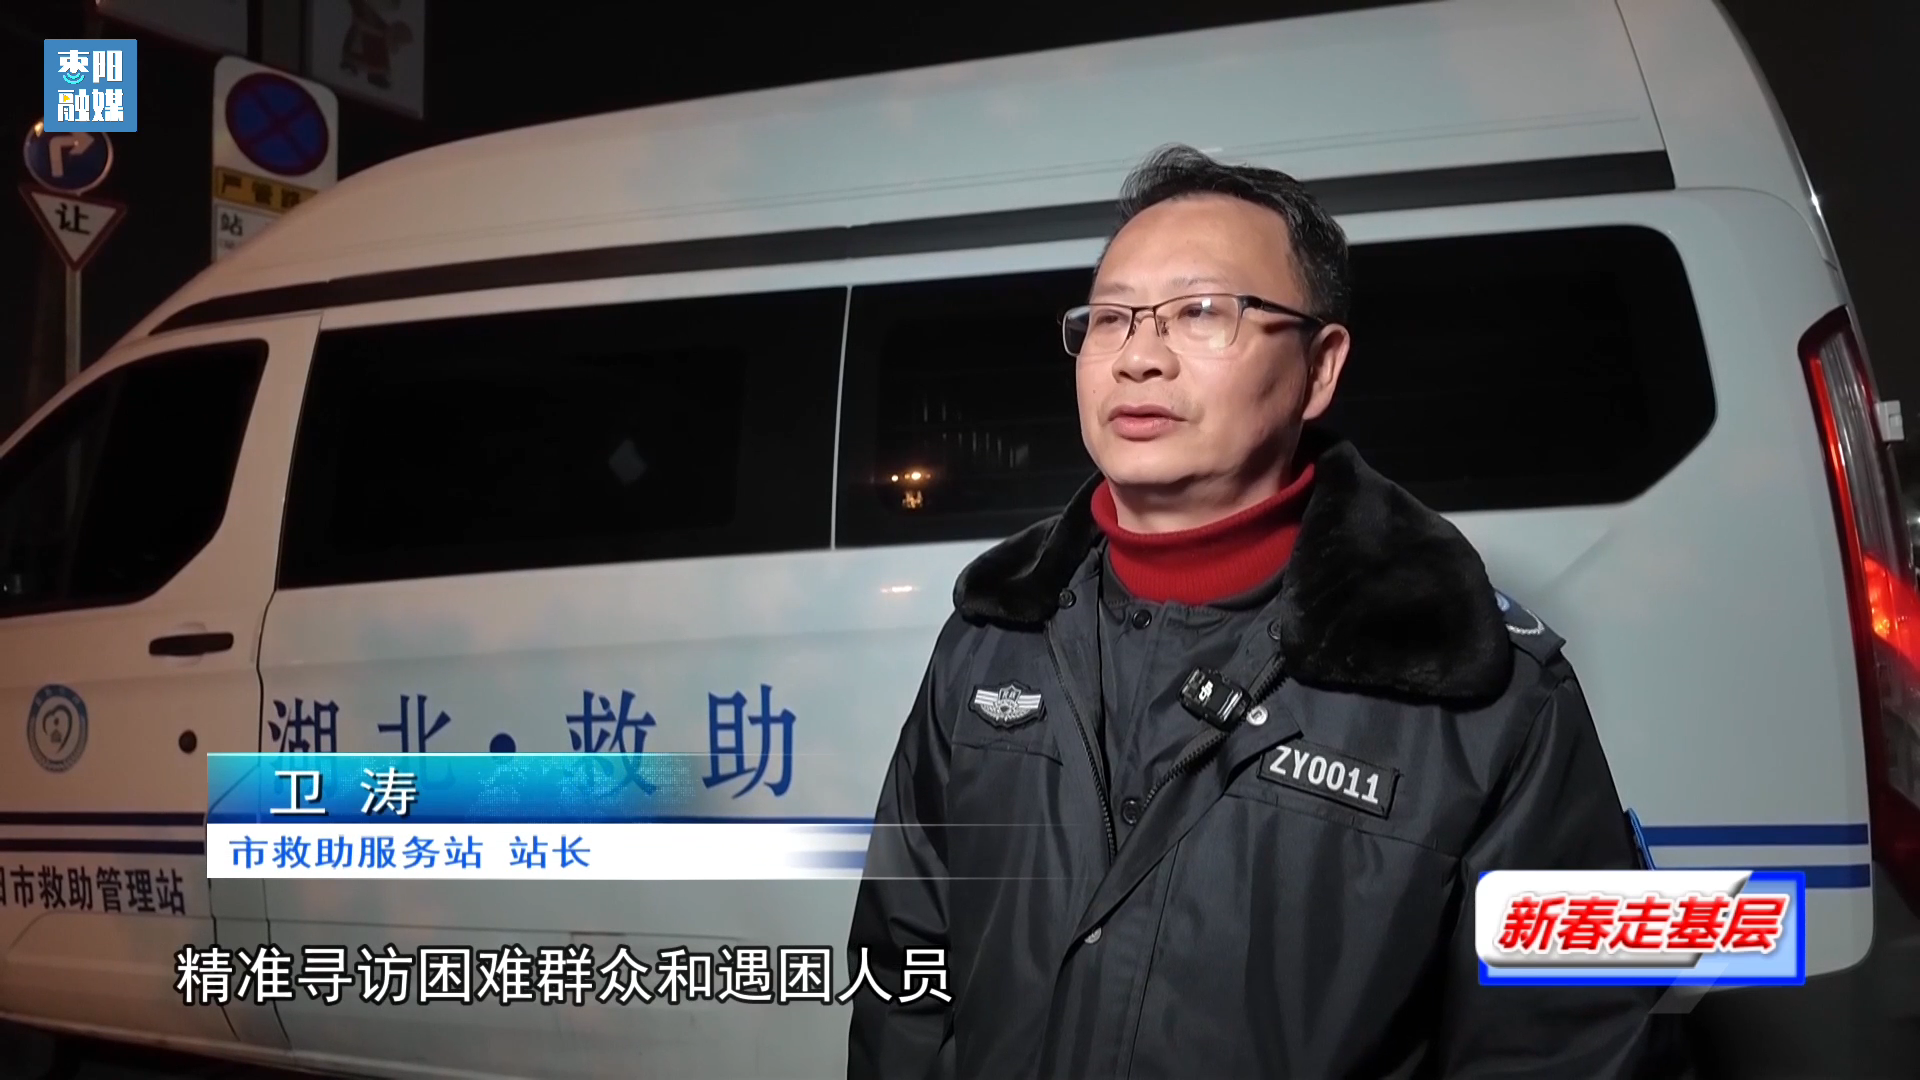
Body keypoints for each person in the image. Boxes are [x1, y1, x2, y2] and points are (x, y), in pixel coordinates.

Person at [845, 145, 1685, 1079]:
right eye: (1112, 317)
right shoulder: (993, 639)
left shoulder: (1484, 693)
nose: (1139, 357)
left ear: (1321, 368)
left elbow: (1568, 1048)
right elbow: (904, 972)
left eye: (1203, 311)